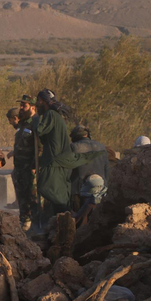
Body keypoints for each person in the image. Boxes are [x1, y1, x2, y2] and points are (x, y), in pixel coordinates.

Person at [33, 89, 106, 220]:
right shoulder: (56, 117)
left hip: (57, 164)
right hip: (97, 189)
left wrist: (35, 120)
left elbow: (39, 130)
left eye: (38, 101)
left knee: (45, 187)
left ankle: (67, 213)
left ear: (44, 101)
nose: (37, 104)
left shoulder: (50, 114)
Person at [9, 95, 39, 230]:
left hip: (31, 169)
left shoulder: (36, 123)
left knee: (33, 198)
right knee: (22, 198)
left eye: (24, 106)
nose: (21, 108)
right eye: (21, 105)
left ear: (33, 107)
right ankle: (24, 223)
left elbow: (39, 147)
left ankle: (37, 225)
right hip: (20, 168)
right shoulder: (22, 125)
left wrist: (34, 166)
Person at [70, 125, 109, 211]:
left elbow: (67, 172)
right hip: (100, 191)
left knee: (78, 220)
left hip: (78, 192)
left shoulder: (72, 147)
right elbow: (106, 170)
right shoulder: (102, 147)